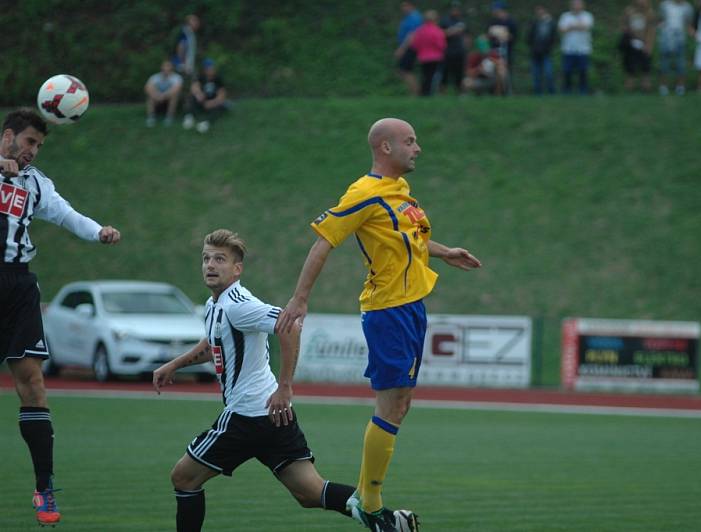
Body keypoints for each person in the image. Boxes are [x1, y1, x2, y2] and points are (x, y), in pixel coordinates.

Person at [275, 118, 481, 529]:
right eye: (410, 141)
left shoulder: (400, 191)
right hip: (389, 311)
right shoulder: (364, 192)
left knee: (401, 404)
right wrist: (300, 298)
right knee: (392, 404)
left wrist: (442, 252)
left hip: (410, 309)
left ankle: (370, 500)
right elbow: (324, 240)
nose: (417, 148)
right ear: (385, 148)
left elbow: (408, 240)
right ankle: (369, 504)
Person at [153, 229, 418, 532]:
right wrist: (174, 364)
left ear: (237, 269)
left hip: (247, 416)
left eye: (220, 260)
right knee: (310, 492)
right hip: (272, 416)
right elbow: (214, 344)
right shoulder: (216, 305)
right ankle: (390, 521)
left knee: (183, 478)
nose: (210, 265)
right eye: (206, 259)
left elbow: (289, 326)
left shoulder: (238, 304)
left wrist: (285, 386)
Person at [0, 108, 121, 527]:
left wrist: (97, 231)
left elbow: (67, 214)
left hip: (17, 288)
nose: (33, 151)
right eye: (29, 142)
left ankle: (44, 486)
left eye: (39, 145)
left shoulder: (36, 184)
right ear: (8, 135)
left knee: (33, 383)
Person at [657, 0, 694, 95]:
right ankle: (663, 87)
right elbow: (660, 19)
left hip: (680, 39)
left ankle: (680, 87)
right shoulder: (665, 5)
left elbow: (688, 23)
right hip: (666, 38)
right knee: (664, 63)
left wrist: (693, 34)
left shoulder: (687, 7)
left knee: (680, 64)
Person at [619, 0, 657, 92]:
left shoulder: (650, 13)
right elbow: (623, 25)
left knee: (646, 67)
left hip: (645, 43)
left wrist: (649, 45)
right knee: (630, 67)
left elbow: (651, 30)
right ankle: (629, 88)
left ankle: (646, 88)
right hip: (632, 43)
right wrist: (628, 34)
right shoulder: (629, 11)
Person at [558, 0, 595, 94]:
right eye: (575, 4)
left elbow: (586, 27)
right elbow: (561, 29)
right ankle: (567, 90)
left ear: (582, 5)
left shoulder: (587, 15)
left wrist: (571, 27)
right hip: (568, 49)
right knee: (567, 71)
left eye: (579, 4)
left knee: (583, 71)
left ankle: (583, 91)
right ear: (571, 5)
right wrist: (577, 26)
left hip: (583, 49)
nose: (577, 6)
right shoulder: (565, 16)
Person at [183, 59, 228, 133]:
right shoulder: (201, 77)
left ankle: (206, 123)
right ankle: (189, 117)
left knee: (220, 106)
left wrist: (212, 102)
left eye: (212, 68)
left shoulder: (218, 78)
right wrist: (199, 94)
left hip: (213, 100)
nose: (211, 70)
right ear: (205, 69)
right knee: (192, 98)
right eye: (209, 68)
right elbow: (194, 87)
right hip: (203, 100)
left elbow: (222, 95)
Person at [411, 10, 447, 96]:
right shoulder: (437, 31)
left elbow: (415, 45)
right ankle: (432, 92)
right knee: (434, 76)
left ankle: (424, 92)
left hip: (423, 57)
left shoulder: (420, 31)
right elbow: (442, 46)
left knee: (425, 76)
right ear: (435, 19)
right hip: (436, 57)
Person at [487, 1, 519, 93]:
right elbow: (489, 35)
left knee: (506, 71)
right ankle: (495, 91)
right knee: (493, 71)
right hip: (494, 50)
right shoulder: (493, 21)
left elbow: (514, 36)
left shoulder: (511, 22)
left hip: (507, 51)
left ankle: (507, 91)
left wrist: (505, 36)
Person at [527, 5, 558, 95]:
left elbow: (554, 37)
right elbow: (529, 37)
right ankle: (537, 92)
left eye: (541, 11)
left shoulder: (551, 23)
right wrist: (532, 47)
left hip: (546, 52)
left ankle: (551, 91)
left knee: (549, 73)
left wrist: (550, 47)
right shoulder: (534, 23)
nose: (539, 13)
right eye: (538, 11)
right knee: (536, 74)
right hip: (535, 52)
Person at [394, 2, 424, 96]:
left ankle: (416, 92)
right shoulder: (409, 17)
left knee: (405, 71)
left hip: (410, 47)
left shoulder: (414, 17)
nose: (403, 8)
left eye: (405, 6)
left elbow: (412, 35)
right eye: (402, 6)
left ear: (411, 5)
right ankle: (415, 91)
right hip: (407, 47)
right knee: (404, 71)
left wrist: (401, 49)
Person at [144, 59, 184, 127]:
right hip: (157, 99)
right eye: (165, 66)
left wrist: (163, 96)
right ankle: (151, 117)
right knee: (150, 96)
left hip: (168, 100)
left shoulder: (176, 77)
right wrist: (156, 95)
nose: (166, 68)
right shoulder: (155, 77)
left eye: (168, 66)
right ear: (161, 67)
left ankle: (169, 117)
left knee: (174, 96)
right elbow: (147, 88)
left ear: (172, 68)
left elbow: (176, 89)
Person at [439, 1, 468, 94]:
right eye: (454, 8)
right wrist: (453, 31)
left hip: (460, 51)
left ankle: (460, 94)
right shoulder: (445, 20)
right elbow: (440, 34)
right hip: (447, 52)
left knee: (459, 74)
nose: (455, 10)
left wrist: (466, 43)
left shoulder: (462, 21)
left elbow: (467, 36)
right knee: (444, 74)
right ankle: (442, 94)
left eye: (457, 8)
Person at [173, 14, 201, 79]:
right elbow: (181, 46)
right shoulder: (185, 32)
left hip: (187, 64)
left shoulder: (191, 33)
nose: (197, 23)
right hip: (182, 65)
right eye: (194, 20)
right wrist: (182, 63)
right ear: (188, 22)